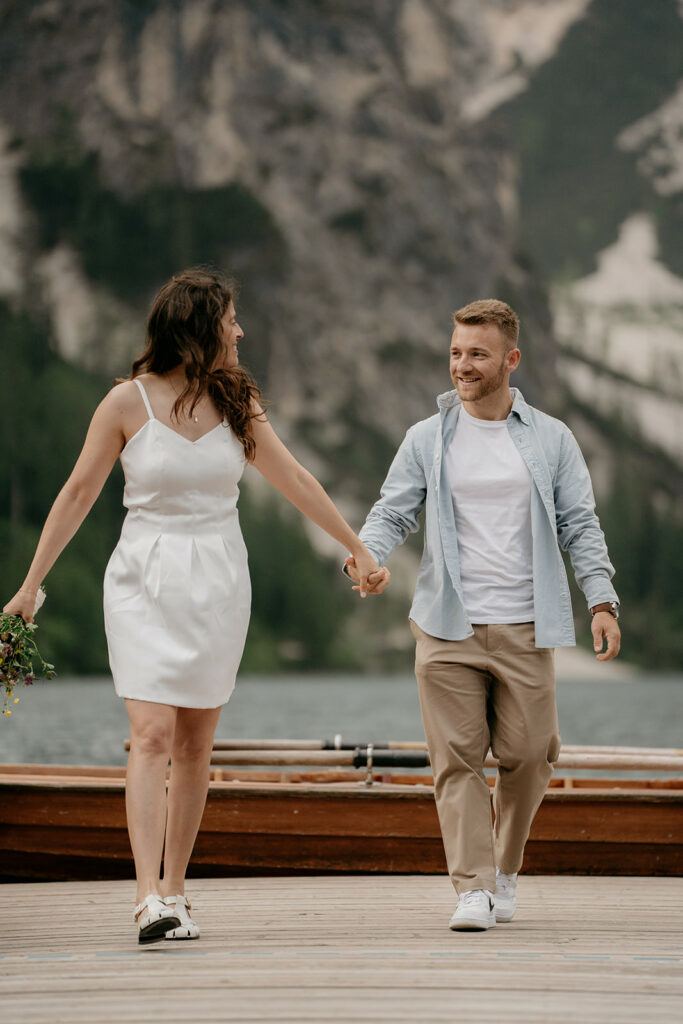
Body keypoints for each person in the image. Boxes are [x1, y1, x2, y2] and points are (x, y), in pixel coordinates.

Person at [3, 267, 382, 944]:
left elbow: (293, 477)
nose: (241, 330)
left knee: (195, 742)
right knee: (150, 733)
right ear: (199, 328)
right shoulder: (125, 403)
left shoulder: (238, 401)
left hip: (218, 578)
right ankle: (146, 895)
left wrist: (354, 546)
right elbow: (77, 494)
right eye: (231, 319)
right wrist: (30, 587)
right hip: (144, 577)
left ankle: (177, 890)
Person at [345, 298, 620, 931]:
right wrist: (363, 559)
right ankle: (472, 888)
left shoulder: (552, 438)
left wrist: (600, 600)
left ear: (510, 359)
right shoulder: (427, 437)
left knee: (532, 754)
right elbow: (392, 511)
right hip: (446, 625)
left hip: (528, 625)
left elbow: (581, 523)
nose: (462, 366)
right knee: (457, 761)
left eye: (477, 354)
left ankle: (504, 867)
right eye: (455, 353)